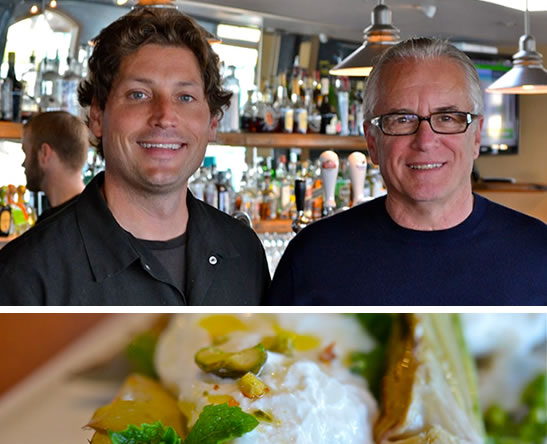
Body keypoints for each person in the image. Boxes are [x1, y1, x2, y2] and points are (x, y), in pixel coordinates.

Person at [0, 7, 269, 306]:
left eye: (185, 97)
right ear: (98, 117)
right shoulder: (26, 274)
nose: (165, 116)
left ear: (212, 123)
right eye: (138, 94)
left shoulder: (245, 254)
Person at [268, 37, 547, 306]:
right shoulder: (313, 257)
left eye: (447, 118)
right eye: (401, 119)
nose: (425, 141)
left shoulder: (538, 252)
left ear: (476, 137)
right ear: (372, 141)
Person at [22, 111, 88, 222]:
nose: (23, 164)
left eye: (26, 153)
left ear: (44, 153)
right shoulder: (96, 216)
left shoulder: (54, 229)